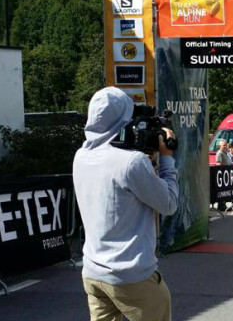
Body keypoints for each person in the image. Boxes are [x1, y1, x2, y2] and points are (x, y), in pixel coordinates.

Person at [73, 87, 179, 321]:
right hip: (131, 276)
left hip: (93, 271)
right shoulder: (131, 162)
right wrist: (167, 158)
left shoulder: (81, 156)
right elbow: (169, 203)